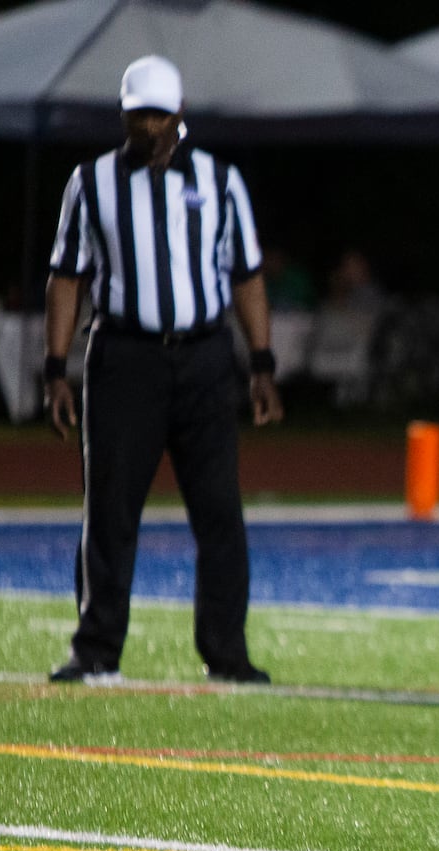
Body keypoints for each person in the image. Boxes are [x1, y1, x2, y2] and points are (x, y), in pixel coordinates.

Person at [43, 54, 283, 685]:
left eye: (159, 113)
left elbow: (247, 275)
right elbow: (65, 277)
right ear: (124, 117)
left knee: (219, 511)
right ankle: (95, 651)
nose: (150, 126)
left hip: (204, 356)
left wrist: (261, 363)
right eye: (138, 114)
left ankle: (227, 655)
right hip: (124, 358)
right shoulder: (91, 181)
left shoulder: (220, 180)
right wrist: (53, 368)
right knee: (111, 509)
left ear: (180, 113)